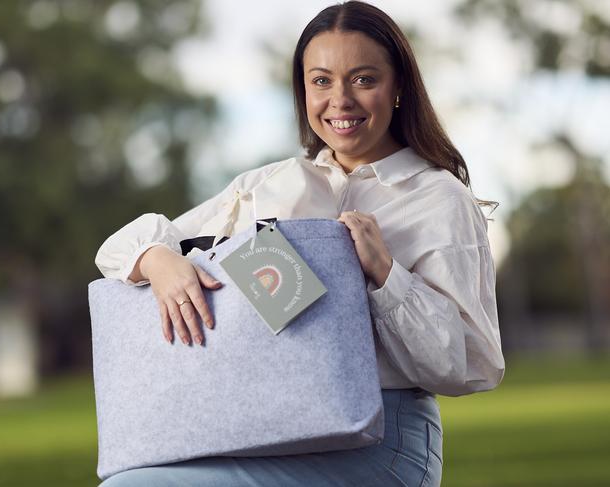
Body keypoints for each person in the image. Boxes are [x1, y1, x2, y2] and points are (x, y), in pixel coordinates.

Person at [94, 1, 505, 485]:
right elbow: (116, 250)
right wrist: (158, 260)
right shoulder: (270, 185)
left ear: (398, 90)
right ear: (303, 90)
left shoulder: (438, 198)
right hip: (262, 423)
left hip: (379, 441)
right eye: (322, 81)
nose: (340, 100)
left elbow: (468, 366)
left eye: (364, 79)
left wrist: (386, 275)